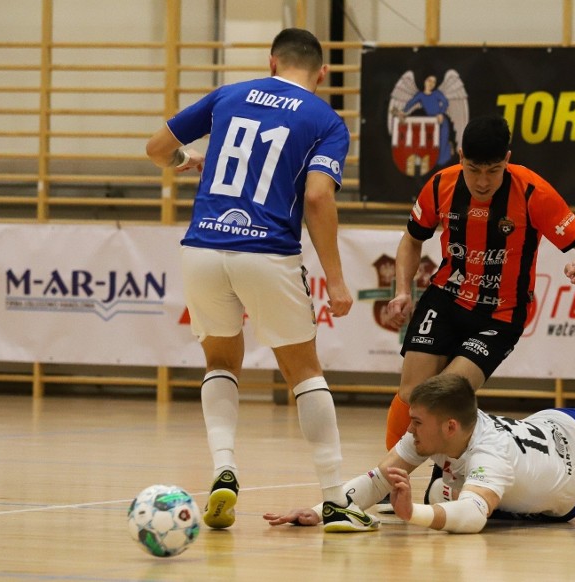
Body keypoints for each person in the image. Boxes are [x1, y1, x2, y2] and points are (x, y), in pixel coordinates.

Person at [145, 28, 377, 533]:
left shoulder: (229, 94)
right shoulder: (325, 119)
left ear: (271, 62)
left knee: (220, 362)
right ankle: (336, 500)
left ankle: (224, 469)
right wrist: (336, 280)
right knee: (304, 373)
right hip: (266, 252)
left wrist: (186, 162)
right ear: (321, 73)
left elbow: (157, 147)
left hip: (202, 247)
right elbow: (317, 197)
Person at [262, 374, 575, 533]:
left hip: (573, 485)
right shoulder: (440, 429)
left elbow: (472, 517)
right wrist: (326, 510)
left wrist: (416, 513)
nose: (409, 431)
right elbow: (380, 477)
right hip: (550, 425)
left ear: (450, 426)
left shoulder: (489, 457)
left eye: (417, 423)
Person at [383, 114, 575, 451]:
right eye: (473, 170)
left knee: (448, 392)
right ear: (460, 158)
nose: (482, 182)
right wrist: (401, 290)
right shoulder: (441, 185)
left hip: (501, 314)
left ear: (508, 161)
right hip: (446, 297)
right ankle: (389, 480)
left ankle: (445, 478)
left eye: (493, 171)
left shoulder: (533, 192)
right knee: (412, 391)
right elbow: (411, 240)